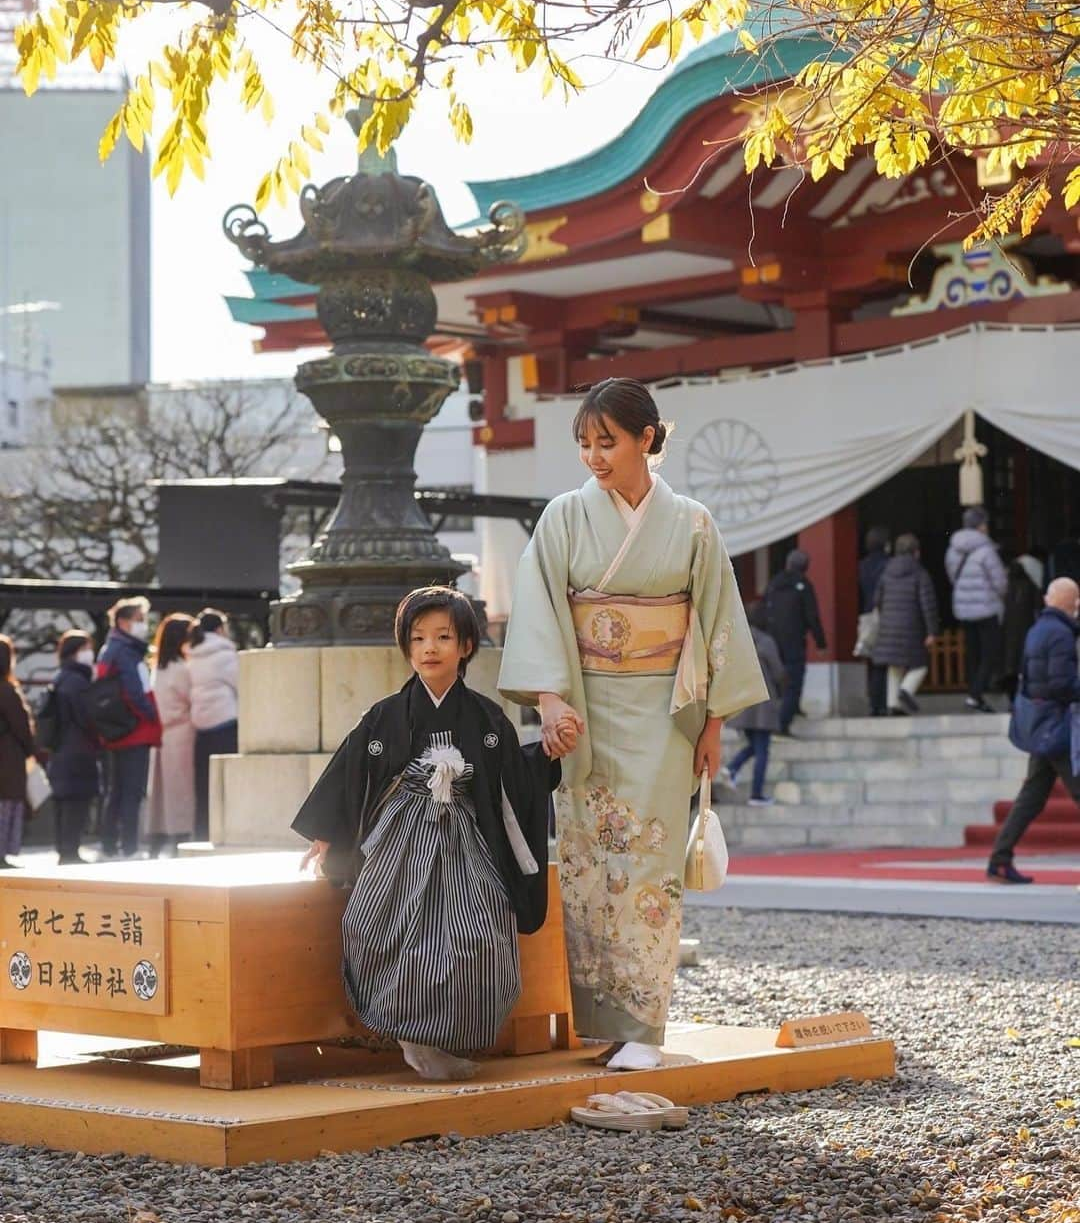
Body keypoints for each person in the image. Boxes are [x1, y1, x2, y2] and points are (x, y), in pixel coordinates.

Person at [498, 377, 766, 1072]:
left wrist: (714, 725)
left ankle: (645, 1030)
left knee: (650, 865)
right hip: (585, 712)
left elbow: (715, 623)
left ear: (647, 438)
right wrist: (549, 700)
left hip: (664, 714)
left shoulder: (695, 523)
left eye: (606, 441)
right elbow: (538, 608)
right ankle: (602, 1024)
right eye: (584, 443)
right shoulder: (562, 517)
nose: (593, 457)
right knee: (589, 864)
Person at [293, 586, 559, 1081]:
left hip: (465, 841)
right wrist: (326, 831)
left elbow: (514, 779)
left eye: (442, 637)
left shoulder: (485, 716)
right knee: (377, 925)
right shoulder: (386, 716)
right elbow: (351, 773)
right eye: (417, 638)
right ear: (406, 647)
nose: (429, 648)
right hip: (400, 840)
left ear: (466, 647)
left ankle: (445, 1037)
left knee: (475, 933)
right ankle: (410, 1034)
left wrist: (545, 754)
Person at [989, 577, 1080, 883]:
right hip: (1058, 728)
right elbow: (1061, 684)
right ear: (1072, 603)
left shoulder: (1038, 629)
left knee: (1032, 796)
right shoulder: (1061, 635)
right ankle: (999, 859)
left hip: (1041, 726)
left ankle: (1000, 859)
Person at [97, 596, 161, 859]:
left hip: (115, 730)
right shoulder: (127, 652)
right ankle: (130, 847)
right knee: (132, 792)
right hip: (134, 730)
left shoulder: (109, 648)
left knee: (116, 790)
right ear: (123, 621)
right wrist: (152, 715)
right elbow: (136, 693)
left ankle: (110, 845)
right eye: (139, 619)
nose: (143, 625)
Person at [719, 601, 786, 805]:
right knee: (762, 749)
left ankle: (732, 768)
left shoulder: (737, 641)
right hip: (762, 702)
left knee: (755, 746)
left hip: (742, 702)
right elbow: (778, 671)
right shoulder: (766, 642)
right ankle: (756, 793)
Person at [945, 505, 1008, 713]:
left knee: (972, 653)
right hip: (986, 608)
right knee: (990, 653)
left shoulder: (953, 549)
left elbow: (952, 576)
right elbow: (1000, 582)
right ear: (981, 526)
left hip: (963, 608)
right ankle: (975, 695)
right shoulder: (986, 550)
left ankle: (975, 694)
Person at [46, 630, 101, 864]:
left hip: (61, 749)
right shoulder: (78, 681)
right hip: (78, 749)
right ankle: (70, 851)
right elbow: (87, 716)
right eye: (86, 649)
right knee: (76, 801)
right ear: (76, 652)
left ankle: (64, 849)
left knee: (63, 802)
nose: (90, 654)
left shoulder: (60, 677)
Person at [872, 533, 940, 716]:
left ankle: (893, 704)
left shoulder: (886, 572)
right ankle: (906, 691)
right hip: (911, 627)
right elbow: (928, 604)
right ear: (915, 552)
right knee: (920, 664)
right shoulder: (919, 573)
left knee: (894, 666)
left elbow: (877, 600)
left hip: (888, 626)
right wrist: (932, 631)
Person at [187, 609, 239, 842]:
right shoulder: (226, 654)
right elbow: (242, 685)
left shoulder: (192, 654)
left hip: (200, 725)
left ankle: (201, 832)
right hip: (225, 723)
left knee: (203, 784)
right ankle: (225, 830)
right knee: (225, 782)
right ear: (220, 629)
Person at [147, 613, 196, 857]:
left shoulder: (157, 668)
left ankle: (156, 839)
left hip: (161, 736)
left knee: (161, 793)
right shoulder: (182, 669)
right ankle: (181, 837)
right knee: (182, 791)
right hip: (183, 733)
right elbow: (192, 699)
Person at [765, 548, 826, 735]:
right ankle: (783, 723)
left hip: (773, 642)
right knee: (794, 681)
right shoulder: (803, 585)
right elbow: (811, 615)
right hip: (794, 641)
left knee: (776, 681)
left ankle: (787, 711)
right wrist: (821, 642)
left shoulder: (774, 583)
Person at [0, 635, 35, 869]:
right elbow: (21, 727)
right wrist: (32, 750)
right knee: (6, 807)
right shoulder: (6, 690)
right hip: (7, 759)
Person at [1000, 553, 1044, 702]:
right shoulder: (1030, 584)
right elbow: (1038, 605)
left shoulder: (1006, 586)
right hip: (1026, 628)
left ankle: (1011, 698)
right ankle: (1024, 696)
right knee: (1024, 663)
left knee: (1009, 664)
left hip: (1008, 631)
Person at [859, 527, 891, 717]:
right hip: (886, 613)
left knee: (874, 660)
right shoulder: (888, 564)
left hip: (868, 615)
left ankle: (874, 703)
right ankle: (883, 702)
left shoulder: (862, 566)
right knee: (886, 660)